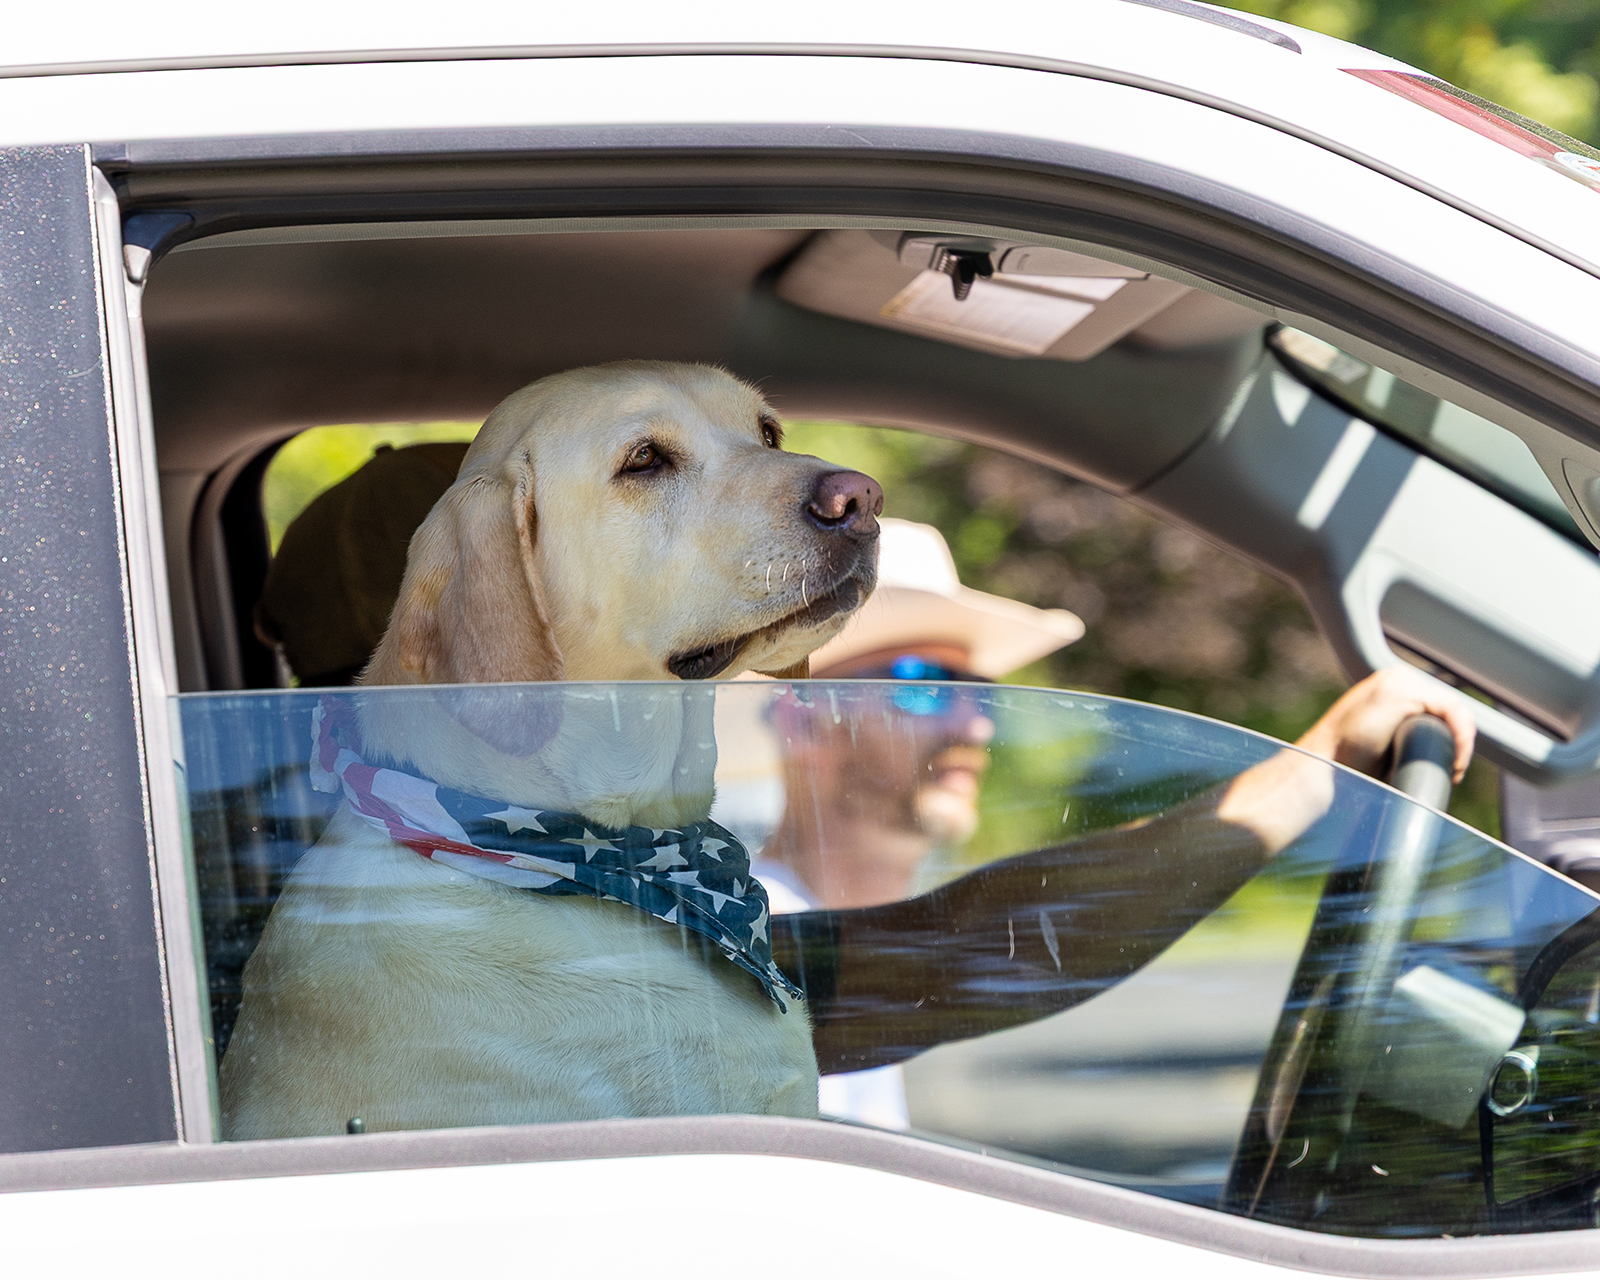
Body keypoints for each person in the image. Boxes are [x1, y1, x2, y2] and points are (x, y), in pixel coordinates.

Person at [750, 518, 1086, 1125]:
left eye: (980, 690)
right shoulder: (748, 952)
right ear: (804, 721)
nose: (974, 725)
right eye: (922, 684)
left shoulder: (860, 949)